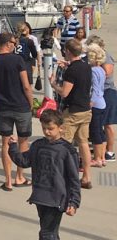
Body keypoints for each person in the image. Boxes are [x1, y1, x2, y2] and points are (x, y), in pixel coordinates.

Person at [8, 109, 81, 240]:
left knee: (47, 233)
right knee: (48, 233)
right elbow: (23, 161)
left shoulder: (67, 150)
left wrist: (74, 201)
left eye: (51, 129)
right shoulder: (38, 145)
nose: (47, 132)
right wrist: (13, 147)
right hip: (40, 197)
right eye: (44, 128)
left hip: (56, 198)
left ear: (61, 128)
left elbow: (74, 179)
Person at [0, 32, 34, 191]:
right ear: (8, 43)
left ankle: (8, 181)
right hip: (21, 107)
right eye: (14, 42)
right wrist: (31, 104)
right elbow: (26, 86)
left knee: (5, 143)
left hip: (3, 109)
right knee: (22, 142)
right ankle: (19, 176)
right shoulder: (18, 60)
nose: (15, 45)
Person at [50, 38, 93, 189]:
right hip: (86, 110)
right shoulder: (86, 66)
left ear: (68, 51)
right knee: (83, 143)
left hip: (72, 112)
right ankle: (86, 177)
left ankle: (64, 175)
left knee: (64, 144)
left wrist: (53, 84)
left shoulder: (71, 71)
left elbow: (64, 93)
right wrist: (67, 64)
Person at [85, 35, 116, 162]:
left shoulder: (105, 56)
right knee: (99, 125)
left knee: (107, 124)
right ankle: (101, 150)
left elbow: (107, 72)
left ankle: (110, 151)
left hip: (107, 92)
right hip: (101, 93)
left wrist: (94, 67)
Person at [87, 44, 107, 168]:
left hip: (94, 102)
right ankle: (102, 157)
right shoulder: (101, 70)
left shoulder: (93, 70)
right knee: (99, 130)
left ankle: (97, 158)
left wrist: (89, 101)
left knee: (95, 132)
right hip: (101, 101)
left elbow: (92, 87)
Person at [16, 22, 39, 87]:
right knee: (27, 85)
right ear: (26, 30)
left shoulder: (14, 40)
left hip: (14, 64)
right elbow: (34, 54)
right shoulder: (29, 41)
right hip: (26, 64)